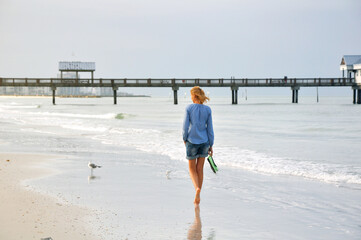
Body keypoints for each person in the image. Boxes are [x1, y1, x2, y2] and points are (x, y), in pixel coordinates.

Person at [183, 86, 214, 206]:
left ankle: (196, 189)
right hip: (205, 141)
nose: (191, 97)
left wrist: (184, 138)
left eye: (191, 95)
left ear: (194, 96)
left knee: (192, 169)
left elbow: (185, 127)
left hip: (191, 141)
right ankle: (198, 194)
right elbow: (210, 129)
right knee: (200, 169)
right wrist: (211, 144)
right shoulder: (208, 110)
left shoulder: (189, 108)